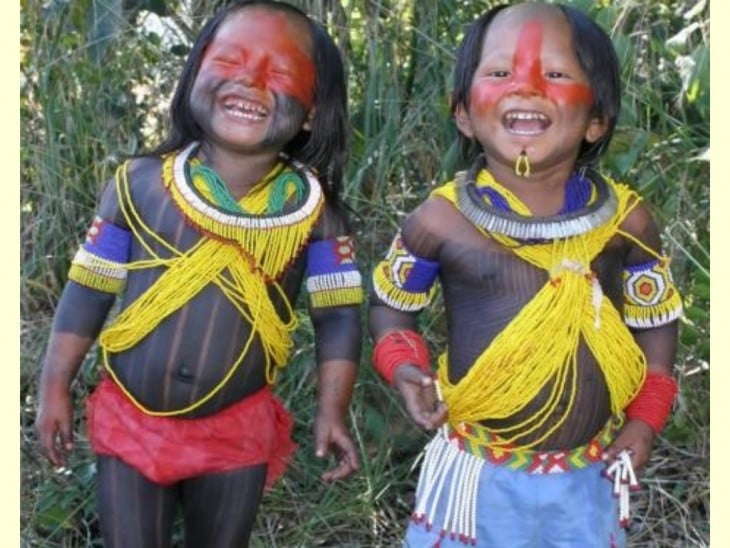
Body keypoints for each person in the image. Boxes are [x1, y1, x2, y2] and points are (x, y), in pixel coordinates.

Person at [35, 1, 362, 546]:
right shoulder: (136, 186)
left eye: (280, 72)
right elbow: (87, 290)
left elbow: (339, 319)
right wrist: (53, 388)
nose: (251, 81)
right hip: (130, 421)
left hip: (236, 431)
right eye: (230, 60)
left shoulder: (314, 215)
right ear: (194, 77)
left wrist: (333, 410)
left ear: (311, 110)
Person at [368, 3, 683, 546]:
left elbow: (657, 320)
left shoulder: (625, 223)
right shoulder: (440, 220)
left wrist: (646, 415)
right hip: (473, 477)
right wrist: (405, 370)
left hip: (589, 476)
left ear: (597, 120)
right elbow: (391, 305)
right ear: (463, 112)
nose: (527, 87)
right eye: (499, 73)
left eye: (557, 74)